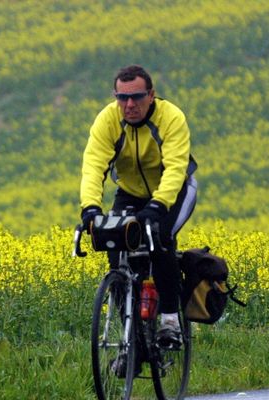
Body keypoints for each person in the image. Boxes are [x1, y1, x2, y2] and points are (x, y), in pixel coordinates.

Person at [80, 64, 197, 346]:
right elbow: (94, 166)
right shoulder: (107, 120)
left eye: (137, 97)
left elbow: (175, 168)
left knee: (161, 240)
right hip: (130, 192)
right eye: (122, 98)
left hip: (174, 190)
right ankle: (131, 340)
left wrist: (158, 206)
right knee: (115, 248)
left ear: (152, 95)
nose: (129, 105)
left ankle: (170, 320)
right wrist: (90, 209)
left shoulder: (171, 117)